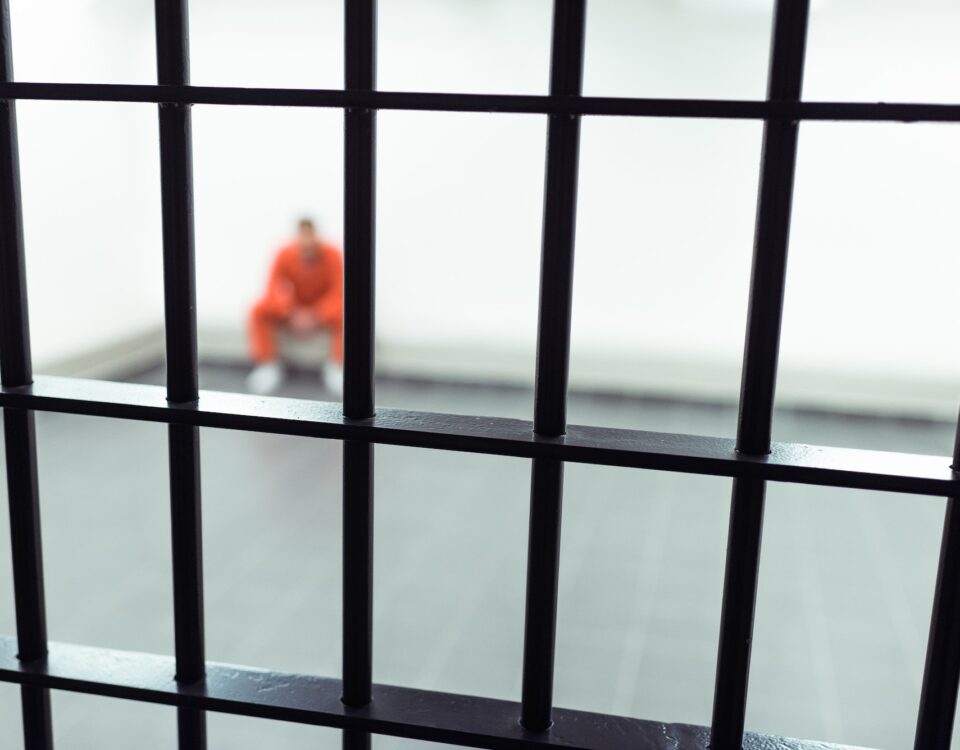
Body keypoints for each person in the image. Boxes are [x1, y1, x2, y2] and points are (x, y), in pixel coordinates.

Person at [246, 218, 344, 395]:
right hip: (293, 309)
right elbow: (273, 287)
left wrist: (316, 314)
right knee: (258, 310)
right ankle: (267, 364)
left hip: (321, 310)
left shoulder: (333, 254)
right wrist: (290, 311)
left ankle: (337, 365)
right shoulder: (284, 253)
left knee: (348, 314)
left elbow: (338, 292)